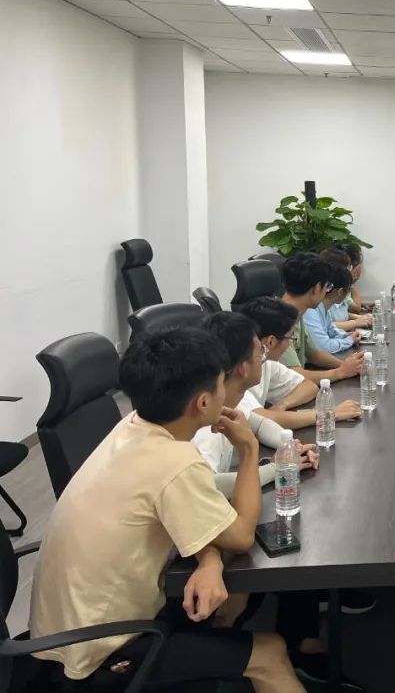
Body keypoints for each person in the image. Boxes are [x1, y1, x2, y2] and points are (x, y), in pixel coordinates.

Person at [29, 327, 306, 692]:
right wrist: (249, 449)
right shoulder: (174, 462)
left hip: (61, 632)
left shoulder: (133, 426)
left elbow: (190, 519)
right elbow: (240, 536)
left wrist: (209, 559)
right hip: (100, 652)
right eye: (220, 384)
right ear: (203, 403)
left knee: (226, 604)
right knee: (270, 652)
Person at [192, 312, 320, 496]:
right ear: (243, 368)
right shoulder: (204, 427)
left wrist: (289, 447)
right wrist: (276, 468)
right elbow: (207, 486)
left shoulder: (225, 400)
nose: (264, 358)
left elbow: (259, 424)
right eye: (261, 352)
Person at [236, 297, 363, 434]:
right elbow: (264, 420)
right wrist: (329, 414)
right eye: (289, 338)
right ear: (271, 342)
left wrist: (282, 404)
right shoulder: (235, 373)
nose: (290, 345)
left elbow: (309, 386)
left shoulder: (267, 364)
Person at [279, 252, 364, 384]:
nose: (326, 293)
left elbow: (315, 355)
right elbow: (294, 375)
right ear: (317, 288)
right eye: (327, 286)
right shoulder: (279, 322)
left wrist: (346, 366)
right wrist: (341, 372)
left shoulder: (296, 313)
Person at [304, 264, 364, 355]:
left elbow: (331, 331)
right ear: (340, 292)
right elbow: (324, 347)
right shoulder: (311, 311)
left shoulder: (324, 308)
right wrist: (350, 340)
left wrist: (345, 335)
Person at [322, 247, 372, 332]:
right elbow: (326, 326)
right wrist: (356, 322)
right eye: (349, 267)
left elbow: (342, 314)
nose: (350, 270)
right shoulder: (329, 294)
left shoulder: (339, 292)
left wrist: (361, 318)